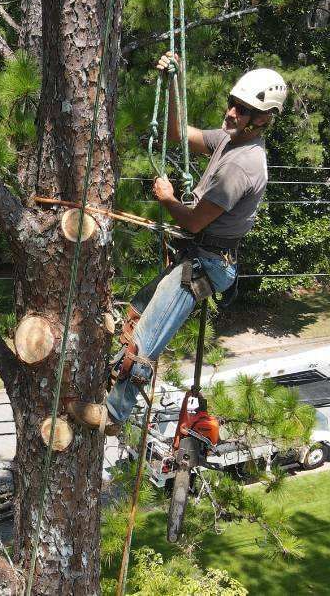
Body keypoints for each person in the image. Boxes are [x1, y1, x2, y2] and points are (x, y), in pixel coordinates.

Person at [66, 52, 287, 435]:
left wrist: (168, 198)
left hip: (207, 264)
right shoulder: (230, 141)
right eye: (232, 103)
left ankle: (114, 416)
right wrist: (172, 84)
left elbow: (194, 219)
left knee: (147, 338)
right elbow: (178, 134)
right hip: (199, 254)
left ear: (264, 118)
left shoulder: (242, 165)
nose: (232, 113)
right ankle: (107, 373)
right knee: (133, 315)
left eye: (244, 109)